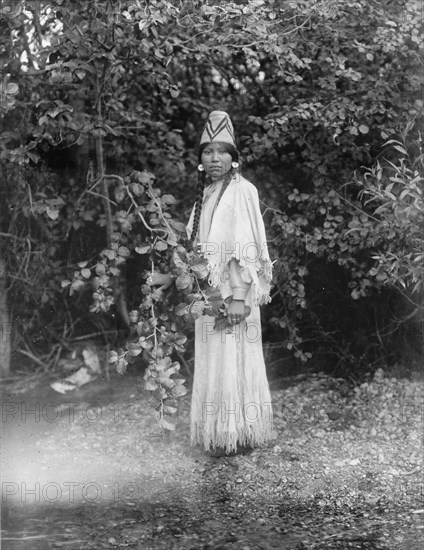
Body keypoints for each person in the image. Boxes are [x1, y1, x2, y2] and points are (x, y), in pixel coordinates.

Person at [186, 110, 274, 457]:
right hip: (209, 292)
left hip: (235, 293)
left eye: (223, 151)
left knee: (235, 354)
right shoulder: (206, 195)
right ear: (200, 159)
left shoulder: (243, 191)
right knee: (215, 356)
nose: (215, 158)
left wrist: (239, 295)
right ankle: (222, 434)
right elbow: (196, 249)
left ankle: (241, 432)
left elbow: (245, 245)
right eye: (208, 151)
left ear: (234, 158)